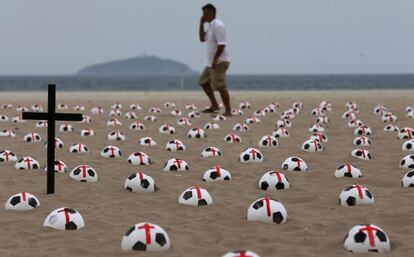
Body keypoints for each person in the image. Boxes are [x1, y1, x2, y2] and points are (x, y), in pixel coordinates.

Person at [198, 3, 231, 116]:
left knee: (221, 87)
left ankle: (228, 111)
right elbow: (202, 39)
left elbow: (222, 44)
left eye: (205, 14)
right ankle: (214, 105)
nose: (204, 16)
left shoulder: (218, 25)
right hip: (210, 62)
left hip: (219, 61)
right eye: (203, 14)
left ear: (212, 13)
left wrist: (215, 59)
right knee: (203, 82)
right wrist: (201, 24)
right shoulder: (211, 26)